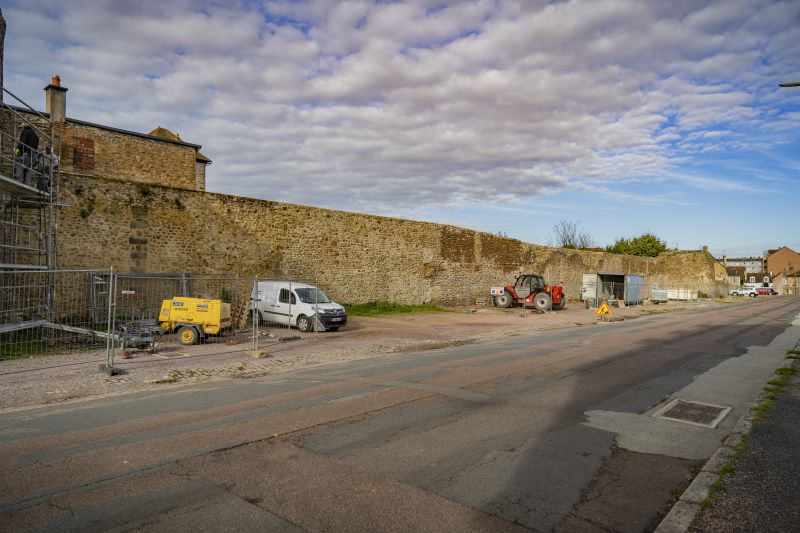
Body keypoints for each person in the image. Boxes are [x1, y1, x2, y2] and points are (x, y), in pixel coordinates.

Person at [13, 122, 39, 186]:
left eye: (20, 128)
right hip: (32, 155)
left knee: (19, 169)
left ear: (23, 126)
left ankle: (17, 188)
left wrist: (18, 149)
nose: (20, 130)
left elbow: (22, 143)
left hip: (26, 154)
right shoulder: (36, 135)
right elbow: (35, 147)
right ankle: (26, 189)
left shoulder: (25, 131)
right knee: (28, 173)